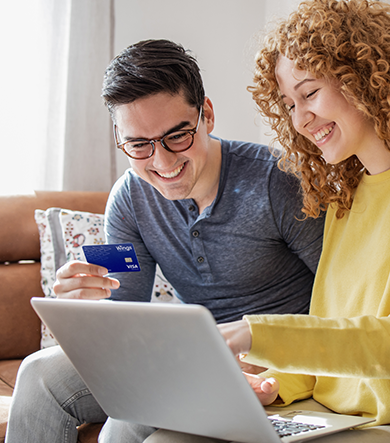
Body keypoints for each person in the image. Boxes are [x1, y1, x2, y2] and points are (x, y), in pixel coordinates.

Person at [5, 39, 325, 443]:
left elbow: (344, 302)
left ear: (205, 114)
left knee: (127, 423)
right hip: (188, 357)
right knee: (38, 374)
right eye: (139, 145)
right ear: (120, 138)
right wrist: (83, 306)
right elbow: (124, 309)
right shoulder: (128, 199)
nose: (162, 162)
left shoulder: (277, 181)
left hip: (277, 358)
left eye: (177, 136)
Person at [212, 0, 390, 443]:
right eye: (289, 105)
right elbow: (333, 358)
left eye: (309, 93)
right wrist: (272, 386)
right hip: (338, 418)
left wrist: (259, 332)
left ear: (363, 78)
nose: (300, 120)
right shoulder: (345, 199)